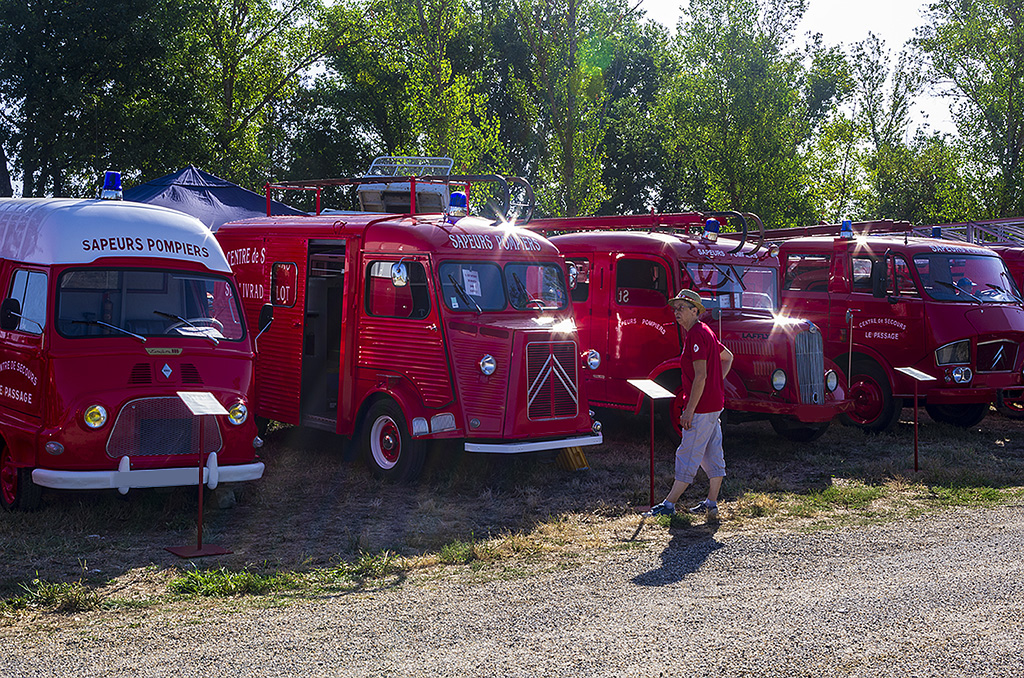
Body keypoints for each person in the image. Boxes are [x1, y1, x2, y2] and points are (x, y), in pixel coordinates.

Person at [646, 288, 734, 520]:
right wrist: (716, 384)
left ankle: (669, 504)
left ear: (695, 311)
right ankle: (711, 504)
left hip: (703, 407)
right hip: (714, 404)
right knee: (713, 452)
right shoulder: (705, 331)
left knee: (688, 453)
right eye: (675, 308)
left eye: (682, 308)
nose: (677, 312)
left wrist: (689, 410)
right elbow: (728, 357)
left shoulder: (696, 334)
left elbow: (700, 376)